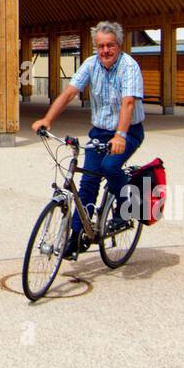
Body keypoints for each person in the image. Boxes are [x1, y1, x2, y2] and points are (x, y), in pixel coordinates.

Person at [31, 20, 145, 257]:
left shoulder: (129, 66)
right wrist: (47, 120)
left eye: (110, 45)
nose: (105, 51)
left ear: (119, 45)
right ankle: (75, 237)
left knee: (110, 166)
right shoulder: (90, 64)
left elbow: (128, 102)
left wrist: (120, 136)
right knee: (88, 184)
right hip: (100, 132)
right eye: (101, 46)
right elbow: (70, 92)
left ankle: (126, 210)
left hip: (128, 131)